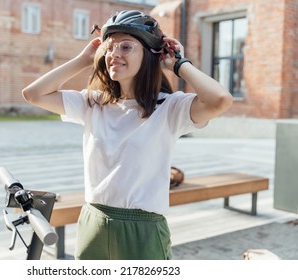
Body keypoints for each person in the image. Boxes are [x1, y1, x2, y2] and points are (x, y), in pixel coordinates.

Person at [22, 10, 233, 260]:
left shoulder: (170, 108)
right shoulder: (93, 103)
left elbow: (220, 100)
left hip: (143, 229)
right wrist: (82, 60)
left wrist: (178, 64)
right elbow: (34, 94)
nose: (114, 55)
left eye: (126, 47)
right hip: (94, 221)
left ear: (150, 55)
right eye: (110, 48)